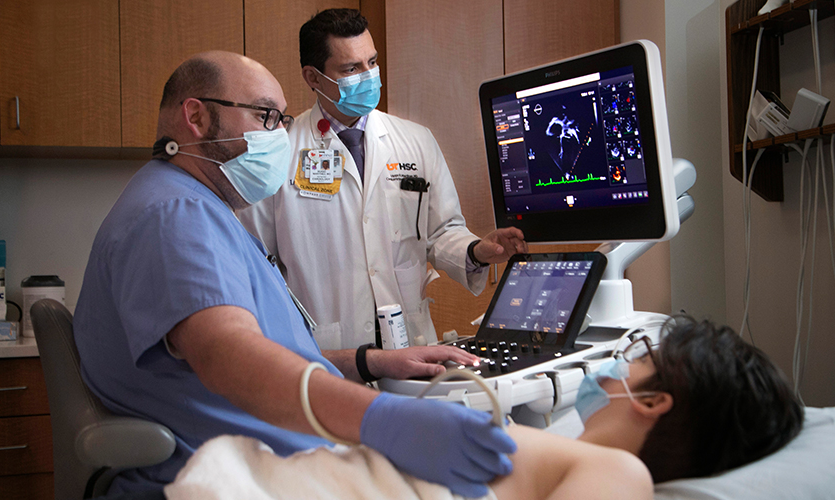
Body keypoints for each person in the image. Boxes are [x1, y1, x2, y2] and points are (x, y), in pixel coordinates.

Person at [72, 50, 517, 497]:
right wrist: (381, 418)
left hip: (284, 454)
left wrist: (371, 361)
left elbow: (264, 348)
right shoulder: (176, 214)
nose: (280, 135)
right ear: (198, 117)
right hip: (258, 474)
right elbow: (231, 357)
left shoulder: (199, 208)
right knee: (529, 463)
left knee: (530, 458)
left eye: (282, 120)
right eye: (266, 116)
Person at [165, 316, 804, 500]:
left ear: (654, 401)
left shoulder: (623, 475)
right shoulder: (565, 450)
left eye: (636, 351)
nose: (617, 363)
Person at [238, 8, 528, 351]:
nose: (369, 76)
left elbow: (441, 232)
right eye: (351, 68)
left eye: (372, 63)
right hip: (326, 349)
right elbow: (254, 258)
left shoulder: (415, 140)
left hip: (411, 342)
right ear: (313, 78)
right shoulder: (280, 152)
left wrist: (477, 251)